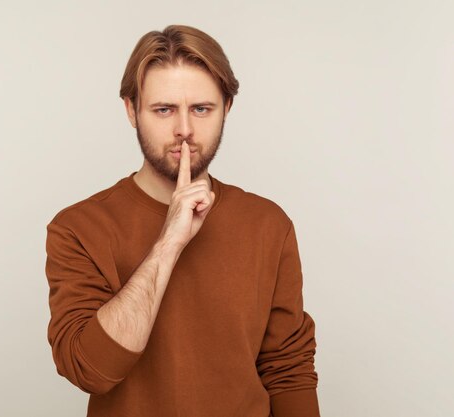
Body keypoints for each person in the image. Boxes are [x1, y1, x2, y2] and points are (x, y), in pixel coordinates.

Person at [45, 24, 320, 417]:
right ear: (131, 110)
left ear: (227, 108)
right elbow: (91, 370)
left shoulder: (268, 224)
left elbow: (287, 369)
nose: (185, 130)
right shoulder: (78, 228)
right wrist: (169, 241)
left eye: (201, 109)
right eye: (164, 109)